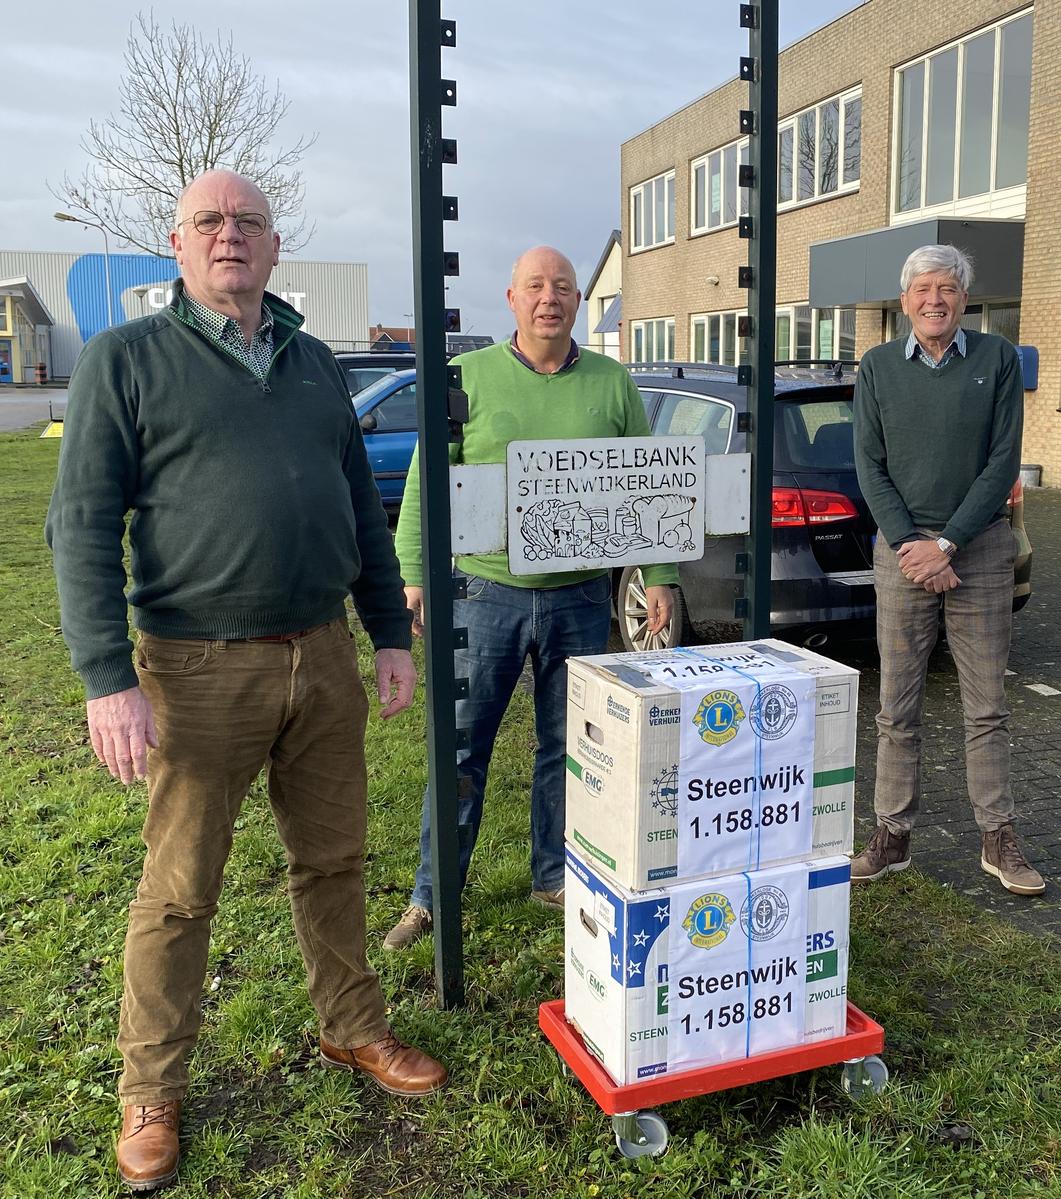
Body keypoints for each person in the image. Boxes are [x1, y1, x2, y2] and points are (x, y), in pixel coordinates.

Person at [47, 169, 447, 1192]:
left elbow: (361, 510)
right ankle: (151, 1089)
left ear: (274, 247)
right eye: (210, 222)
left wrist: (384, 636)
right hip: (194, 667)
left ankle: (353, 1027)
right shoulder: (125, 361)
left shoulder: (313, 365)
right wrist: (107, 677)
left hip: (320, 659)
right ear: (177, 246)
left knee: (336, 859)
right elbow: (83, 525)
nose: (231, 236)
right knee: (180, 891)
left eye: (250, 223)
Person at [384, 246, 676, 950]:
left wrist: (658, 571)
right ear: (511, 298)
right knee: (459, 747)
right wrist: (414, 572)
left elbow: (645, 482)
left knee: (571, 746)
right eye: (537, 287)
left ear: (580, 302)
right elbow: (430, 475)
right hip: (484, 591)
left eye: (564, 288)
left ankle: (554, 871)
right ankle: (433, 892)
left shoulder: (612, 384)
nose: (551, 298)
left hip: (580, 595)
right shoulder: (467, 376)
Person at [848, 244, 1043, 897]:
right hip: (902, 553)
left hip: (979, 551)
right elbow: (869, 466)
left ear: (964, 299)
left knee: (986, 706)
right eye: (923, 289)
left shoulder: (998, 360)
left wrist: (949, 544)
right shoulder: (876, 367)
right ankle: (891, 835)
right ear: (905, 301)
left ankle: (998, 836)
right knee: (896, 705)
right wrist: (913, 544)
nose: (935, 300)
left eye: (948, 289)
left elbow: (1003, 461)